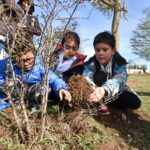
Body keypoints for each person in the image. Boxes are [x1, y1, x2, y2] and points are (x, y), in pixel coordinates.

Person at [83, 31, 141, 115]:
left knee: (135, 102)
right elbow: (86, 75)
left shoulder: (119, 61)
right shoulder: (91, 62)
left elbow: (120, 78)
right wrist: (92, 87)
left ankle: (106, 102)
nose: (101, 53)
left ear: (113, 51)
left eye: (105, 49)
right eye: (97, 50)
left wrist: (104, 90)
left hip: (113, 89)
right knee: (100, 75)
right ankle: (97, 102)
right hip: (95, 90)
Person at [0, 46, 71, 112]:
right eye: (20, 60)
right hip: (12, 96)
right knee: (9, 85)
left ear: (34, 56)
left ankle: (33, 105)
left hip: (32, 92)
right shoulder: (5, 65)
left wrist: (60, 88)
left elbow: (53, 78)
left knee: (44, 89)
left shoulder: (39, 66)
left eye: (28, 59)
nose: (25, 64)